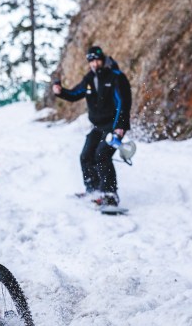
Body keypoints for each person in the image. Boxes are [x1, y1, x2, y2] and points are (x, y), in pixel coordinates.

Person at [52, 45, 132, 207]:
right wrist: (60, 92)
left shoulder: (115, 76)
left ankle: (110, 195)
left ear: (102, 59)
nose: (94, 64)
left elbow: (123, 103)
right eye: (91, 61)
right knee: (86, 155)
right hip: (98, 127)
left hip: (114, 126)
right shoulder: (89, 79)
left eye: (97, 60)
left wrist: (119, 127)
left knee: (102, 154)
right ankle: (93, 190)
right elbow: (74, 94)